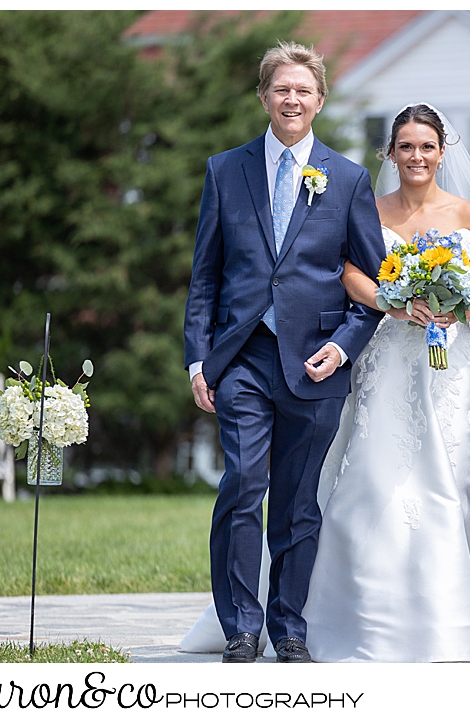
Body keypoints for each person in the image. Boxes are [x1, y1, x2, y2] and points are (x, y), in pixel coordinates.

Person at [182, 41, 386, 664]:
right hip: (240, 355)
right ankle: (241, 625)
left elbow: (374, 288)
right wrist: (198, 358)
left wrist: (344, 348)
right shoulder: (225, 170)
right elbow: (205, 277)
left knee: (299, 500)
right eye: (281, 89)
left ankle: (289, 626)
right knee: (244, 482)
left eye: (303, 90)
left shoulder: (348, 178)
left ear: (319, 100)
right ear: (264, 98)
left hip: (314, 361)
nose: (291, 99)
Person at [300, 103, 470, 662]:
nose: (416, 157)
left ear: (443, 152)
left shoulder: (469, 216)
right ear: (390, 153)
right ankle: (356, 612)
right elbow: (348, 272)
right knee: (370, 471)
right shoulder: (367, 208)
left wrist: (455, 309)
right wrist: (394, 301)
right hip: (386, 357)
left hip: (449, 364)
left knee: (454, 478)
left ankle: (460, 614)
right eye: (406, 147)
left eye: (427, 147)